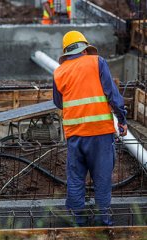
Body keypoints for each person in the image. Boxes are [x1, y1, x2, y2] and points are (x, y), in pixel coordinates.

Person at [53, 31, 127, 226]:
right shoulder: (97, 62)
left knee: (76, 180)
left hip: (75, 135)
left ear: (66, 52)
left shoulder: (59, 72)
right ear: (85, 48)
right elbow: (112, 94)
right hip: (100, 133)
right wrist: (122, 119)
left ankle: (78, 224)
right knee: (102, 180)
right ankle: (103, 223)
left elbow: (59, 102)